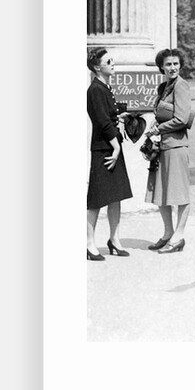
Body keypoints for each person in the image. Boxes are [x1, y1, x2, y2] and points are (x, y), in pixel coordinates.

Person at [86, 47, 132, 260]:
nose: (113, 64)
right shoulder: (95, 89)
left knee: (116, 196)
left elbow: (108, 115)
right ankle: (89, 244)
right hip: (104, 149)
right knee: (97, 198)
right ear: (97, 67)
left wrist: (120, 116)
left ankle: (114, 240)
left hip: (112, 147)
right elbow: (102, 121)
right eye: (108, 61)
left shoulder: (104, 87)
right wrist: (115, 146)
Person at [147, 48, 192, 253]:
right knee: (161, 191)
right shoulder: (164, 87)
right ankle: (168, 233)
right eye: (168, 64)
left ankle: (179, 236)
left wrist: (159, 128)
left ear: (180, 65)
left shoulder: (181, 86)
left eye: (175, 64)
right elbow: (161, 114)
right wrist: (153, 126)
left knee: (180, 193)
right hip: (163, 146)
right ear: (161, 67)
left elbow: (182, 119)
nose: (172, 68)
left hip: (176, 146)